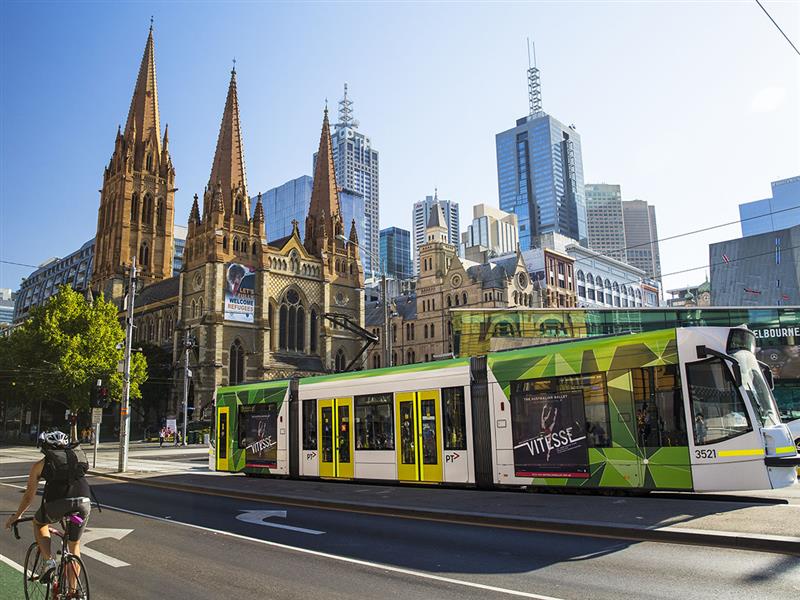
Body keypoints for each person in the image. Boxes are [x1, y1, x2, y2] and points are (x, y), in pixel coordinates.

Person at [4, 430, 91, 585]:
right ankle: (73, 591)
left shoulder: (41, 464)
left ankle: (49, 561)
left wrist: (16, 516)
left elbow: (28, 496)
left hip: (57, 503)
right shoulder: (76, 458)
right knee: (74, 546)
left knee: (39, 523)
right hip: (84, 501)